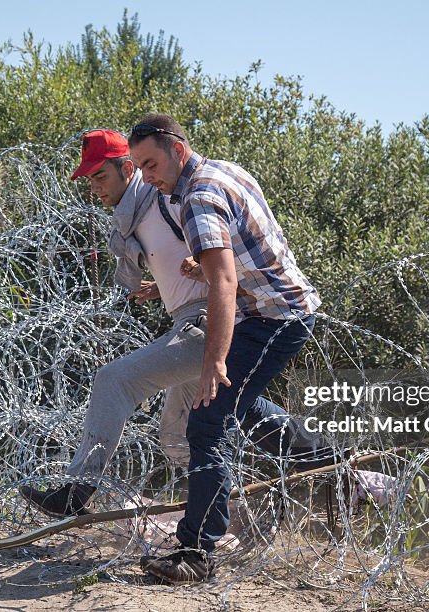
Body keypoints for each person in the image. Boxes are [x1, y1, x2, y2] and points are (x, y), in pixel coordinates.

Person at [19, 130, 340, 517]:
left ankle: (76, 492)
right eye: (89, 180)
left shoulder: (165, 199)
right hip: (195, 318)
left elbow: (223, 255)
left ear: (126, 169)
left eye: (100, 176)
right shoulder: (134, 215)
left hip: (210, 323)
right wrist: (165, 286)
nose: (94, 188)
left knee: (115, 380)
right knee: (186, 433)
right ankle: (309, 466)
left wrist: (215, 346)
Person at [128, 113, 334, 584]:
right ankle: (328, 461)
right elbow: (241, 256)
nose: (146, 175)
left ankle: (196, 552)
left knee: (207, 420)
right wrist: (200, 268)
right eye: (138, 166)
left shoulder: (198, 198)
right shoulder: (221, 170)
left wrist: (214, 361)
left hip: (273, 318)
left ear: (177, 150)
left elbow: (225, 281)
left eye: (152, 162)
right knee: (238, 406)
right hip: (274, 308)